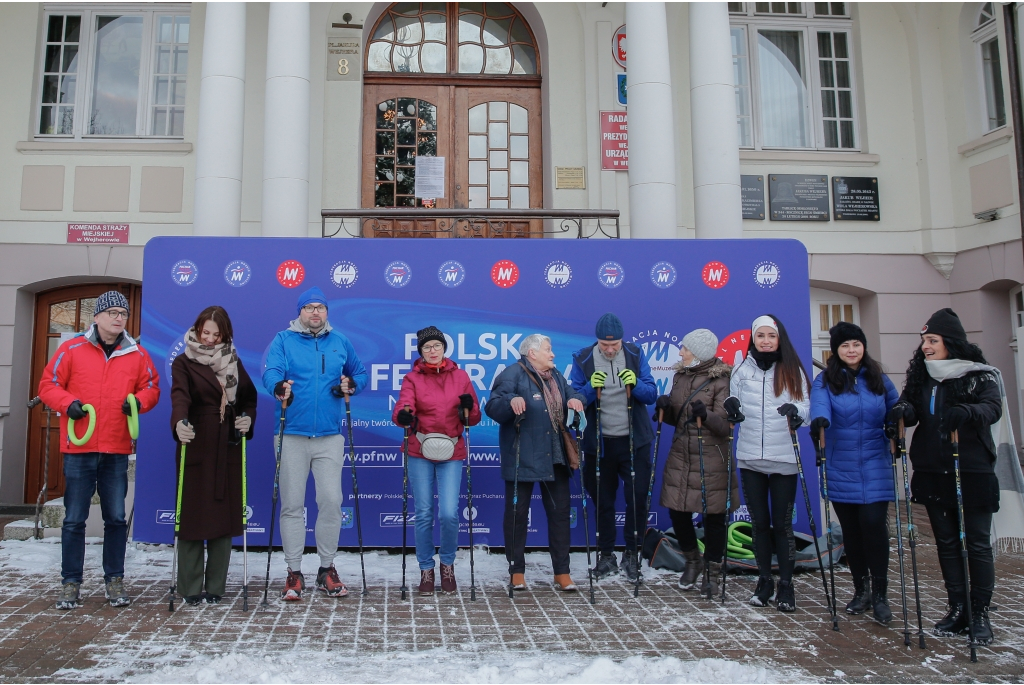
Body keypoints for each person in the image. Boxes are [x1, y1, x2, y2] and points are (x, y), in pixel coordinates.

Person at [39, 291, 161, 610]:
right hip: (79, 448)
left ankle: (114, 579)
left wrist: (137, 402)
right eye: (112, 313)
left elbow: (151, 388)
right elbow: (48, 386)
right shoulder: (72, 349)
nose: (119, 318)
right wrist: (69, 405)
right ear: (97, 317)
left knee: (117, 518)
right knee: (74, 518)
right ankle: (70, 583)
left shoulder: (136, 353)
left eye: (123, 313)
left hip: (116, 447)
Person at [888, 308, 1001, 644]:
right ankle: (957, 609)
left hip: (971, 469)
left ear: (950, 342)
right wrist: (902, 412)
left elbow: (992, 408)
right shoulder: (924, 376)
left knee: (976, 544)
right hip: (933, 470)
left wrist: (967, 411)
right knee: (947, 543)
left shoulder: (979, 375)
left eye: (932, 340)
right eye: (924, 340)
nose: (926, 346)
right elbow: (910, 410)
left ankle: (979, 612)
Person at [262, 286, 368, 601]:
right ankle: (294, 572)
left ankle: (326, 569)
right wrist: (280, 387)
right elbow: (271, 373)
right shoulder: (284, 340)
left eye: (320, 307)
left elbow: (359, 373)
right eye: (309, 307)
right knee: (293, 504)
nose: (315, 313)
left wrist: (351, 385)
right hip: (291, 433)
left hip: (329, 436)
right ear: (300, 313)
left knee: (331, 501)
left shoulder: (340, 341)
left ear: (326, 312)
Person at [809, 322, 899, 624]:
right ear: (836, 349)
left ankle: (881, 594)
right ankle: (861, 590)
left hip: (875, 460)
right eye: (845, 345)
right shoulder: (826, 380)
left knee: (874, 525)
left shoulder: (878, 378)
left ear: (863, 347)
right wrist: (819, 420)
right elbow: (819, 405)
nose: (851, 350)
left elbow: (895, 407)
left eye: (856, 344)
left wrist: (899, 419)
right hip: (841, 463)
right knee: (852, 531)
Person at [169, 306, 257, 605]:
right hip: (196, 438)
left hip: (227, 443)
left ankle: (216, 586)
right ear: (197, 329)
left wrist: (246, 418)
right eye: (205, 333)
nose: (209, 339)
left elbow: (248, 398)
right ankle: (191, 587)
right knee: (193, 515)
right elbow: (179, 395)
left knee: (223, 515)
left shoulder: (232, 360)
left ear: (225, 335)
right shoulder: (183, 361)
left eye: (216, 335)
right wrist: (179, 422)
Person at [486, 334, 585, 591]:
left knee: (561, 515)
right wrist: (510, 402)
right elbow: (493, 406)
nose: (552, 354)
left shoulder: (556, 377)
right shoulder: (512, 374)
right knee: (517, 516)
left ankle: (562, 572)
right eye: (548, 350)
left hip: (556, 457)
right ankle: (516, 571)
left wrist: (576, 400)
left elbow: (572, 392)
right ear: (532, 353)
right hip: (522, 456)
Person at [725, 314, 809, 612]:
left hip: (783, 458)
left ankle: (786, 585)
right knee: (759, 524)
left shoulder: (792, 369)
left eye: (770, 336)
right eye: (760, 336)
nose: (765, 341)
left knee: (782, 525)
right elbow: (732, 401)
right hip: (750, 458)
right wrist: (730, 407)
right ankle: (764, 581)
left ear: (779, 338)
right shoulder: (741, 369)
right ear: (753, 338)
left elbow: (806, 406)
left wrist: (795, 410)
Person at [392, 326, 481, 596]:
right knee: (423, 513)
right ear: (421, 352)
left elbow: (473, 418)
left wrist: (469, 407)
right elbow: (403, 407)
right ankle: (426, 569)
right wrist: (404, 417)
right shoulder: (412, 378)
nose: (432, 351)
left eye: (436, 346)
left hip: (451, 450)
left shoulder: (461, 376)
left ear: (444, 349)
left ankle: (448, 565)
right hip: (420, 448)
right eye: (427, 348)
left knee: (449, 513)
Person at [570, 313, 658, 582]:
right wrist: (587, 389)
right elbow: (573, 399)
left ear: (622, 340)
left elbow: (652, 393)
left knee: (637, 499)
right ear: (597, 342)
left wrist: (636, 384)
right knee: (603, 502)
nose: (610, 350)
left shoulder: (634, 353)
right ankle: (606, 556)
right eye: (604, 345)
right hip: (600, 444)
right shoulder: (583, 358)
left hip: (635, 443)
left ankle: (632, 555)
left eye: (615, 345)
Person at [655, 329, 738, 597]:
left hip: (712, 456)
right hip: (682, 454)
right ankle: (693, 562)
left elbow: (726, 426)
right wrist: (665, 408)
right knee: (677, 511)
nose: (680, 352)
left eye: (685, 348)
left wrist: (709, 415)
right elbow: (675, 419)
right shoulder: (680, 376)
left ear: (699, 352)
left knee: (714, 517)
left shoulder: (722, 380)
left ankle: (712, 572)